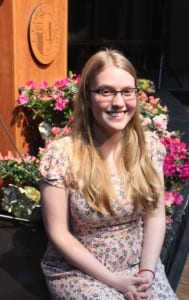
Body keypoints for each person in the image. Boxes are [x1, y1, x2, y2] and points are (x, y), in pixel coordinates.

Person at [39, 49, 178, 299]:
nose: (119, 102)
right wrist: (116, 282)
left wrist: (147, 271)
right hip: (80, 270)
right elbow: (58, 233)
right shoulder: (61, 155)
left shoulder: (149, 148)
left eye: (127, 91)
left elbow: (155, 216)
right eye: (106, 91)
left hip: (139, 263)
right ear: (87, 97)